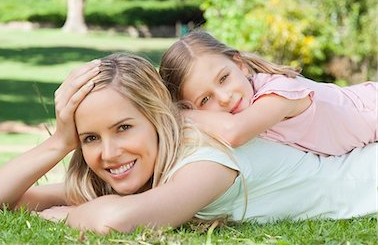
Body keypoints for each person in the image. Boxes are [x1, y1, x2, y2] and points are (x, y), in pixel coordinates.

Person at [0, 53, 378, 234]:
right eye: (91, 138)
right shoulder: (150, 166)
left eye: (124, 128)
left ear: (160, 119)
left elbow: (116, 221)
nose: (108, 153)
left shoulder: (207, 159)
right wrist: (59, 142)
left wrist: (54, 216)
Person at [159, 30, 378, 156]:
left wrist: (179, 115)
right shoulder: (242, 106)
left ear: (240, 65)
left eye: (224, 78)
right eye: (205, 99)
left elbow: (234, 132)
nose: (224, 98)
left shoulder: (279, 93)